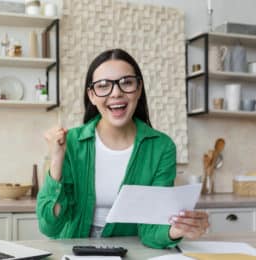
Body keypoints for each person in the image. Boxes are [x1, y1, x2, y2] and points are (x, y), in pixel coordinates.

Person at [36, 49, 209, 249]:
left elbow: (151, 229)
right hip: (74, 251)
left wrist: (177, 230)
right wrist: (56, 159)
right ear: (92, 95)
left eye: (126, 82)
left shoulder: (161, 147)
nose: (116, 93)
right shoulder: (71, 142)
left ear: (139, 88)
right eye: (103, 86)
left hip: (130, 251)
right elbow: (49, 226)